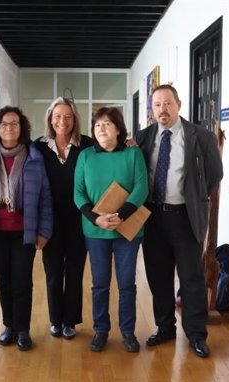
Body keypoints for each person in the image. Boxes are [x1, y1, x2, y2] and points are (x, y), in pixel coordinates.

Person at [135, 84, 223, 358]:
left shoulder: (202, 137)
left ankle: (196, 335)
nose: (163, 109)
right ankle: (165, 328)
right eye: (157, 104)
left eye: (168, 103)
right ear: (152, 109)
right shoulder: (143, 137)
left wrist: (196, 198)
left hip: (185, 217)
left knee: (191, 277)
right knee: (158, 276)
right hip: (153, 216)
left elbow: (214, 175)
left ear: (179, 104)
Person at [74, 107, 148, 353]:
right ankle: (101, 330)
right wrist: (97, 219)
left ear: (118, 128)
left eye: (106, 124)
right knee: (100, 283)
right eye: (97, 125)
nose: (101, 129)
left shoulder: (133, 154)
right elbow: (78, 192)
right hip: (96, 232)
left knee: (127, 284)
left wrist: (120, 215)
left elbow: (141, 187)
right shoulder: (85, 156)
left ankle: (128, 331)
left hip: (127, 231)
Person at [0, 106, 53, 351]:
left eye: (14, 124)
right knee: (3, 281)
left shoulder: (34, 156)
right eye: (4, 124)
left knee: (22, 281)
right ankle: (9, 326)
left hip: (24, 230)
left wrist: (44, 231)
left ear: (22, 128)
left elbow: (45, 195)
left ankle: (23, 329)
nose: (9, 128)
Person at [35, 98, 93, 340]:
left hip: (80, 219)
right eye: (57, 116)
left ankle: (70, 321)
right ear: (50, 118)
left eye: (68, 116)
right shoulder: (38, 146)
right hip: (49, 220)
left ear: (74, 119)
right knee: (53, 270)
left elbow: (113, 147)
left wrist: (130, 143)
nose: (63, 121)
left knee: (75, 270)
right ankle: (55, 320)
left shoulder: (87, 145)